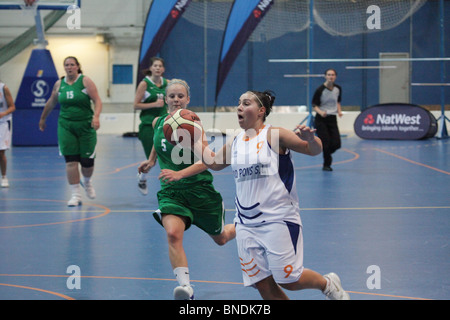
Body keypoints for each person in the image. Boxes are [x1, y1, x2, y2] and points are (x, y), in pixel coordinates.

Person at [193, 90, 350, 300]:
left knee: (289, 280)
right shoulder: (236, 141)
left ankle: (327, 284)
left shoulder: (274, 134)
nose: (239, 107)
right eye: (238, 103)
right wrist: (193, 137)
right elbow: (213, 162)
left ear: (260, 111)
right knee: (262, 284)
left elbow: (313, 150)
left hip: (278, 219)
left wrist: (312, 139)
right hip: (245, 224)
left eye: (246, 103)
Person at [138, 79, 235, 300]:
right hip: (172, 192)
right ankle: (186, 288)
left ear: (188, 99)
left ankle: (244, 225)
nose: (176, 99)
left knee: (220, 239)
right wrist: (151, 160)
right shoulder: (158, 121)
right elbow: (157, 140)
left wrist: (180, 173)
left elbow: (209, 161)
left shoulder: (193, 124)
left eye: (180, 96)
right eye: (172, 96)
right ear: (165, 99)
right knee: (173, 234)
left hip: (200, 191)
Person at [39, 56, 102, 207]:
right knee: (71, 161)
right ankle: (75, 194)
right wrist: (43, 118)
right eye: (66, 65)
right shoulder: (59, 84)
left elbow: (97, 100)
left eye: (72, 65)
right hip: (66, 126)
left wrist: (96, 116)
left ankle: (87, 182)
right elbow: (51, 102)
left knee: (87, 163)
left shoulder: (85, 81)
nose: (69, 67)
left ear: (77, 66)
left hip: (86, 125)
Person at [134, 57, 170, 195]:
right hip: (148, 125)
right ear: (151, 68)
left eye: (160, 66)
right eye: (155, 66)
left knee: (165, 157)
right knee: (152, 160)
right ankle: (142, 178)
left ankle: (169, 189)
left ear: (163, 69)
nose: (157, 68)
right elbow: (136, 105)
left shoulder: (168, 83)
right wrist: (154, 104)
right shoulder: (144, 84)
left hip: (163, 125)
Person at [312, 68, 343, 171]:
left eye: (333, 75)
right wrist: (321, 112)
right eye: (329, 75)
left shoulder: (338, 89)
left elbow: (337, 102)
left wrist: (339, 111)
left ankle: (327, 152)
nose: (331, 77)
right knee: (325, 142)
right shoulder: (320, 90)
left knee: (336, 143)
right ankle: (326, 165)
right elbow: (314, 105)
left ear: (335, 77)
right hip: (321, 119)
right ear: (325, 76)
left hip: (332, 118)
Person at [0, 81, 16, 188]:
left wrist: (3, 114)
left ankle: (4, 177)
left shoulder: (3, 88)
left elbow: (12, 107)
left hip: (3, 123)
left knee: (1, 152)